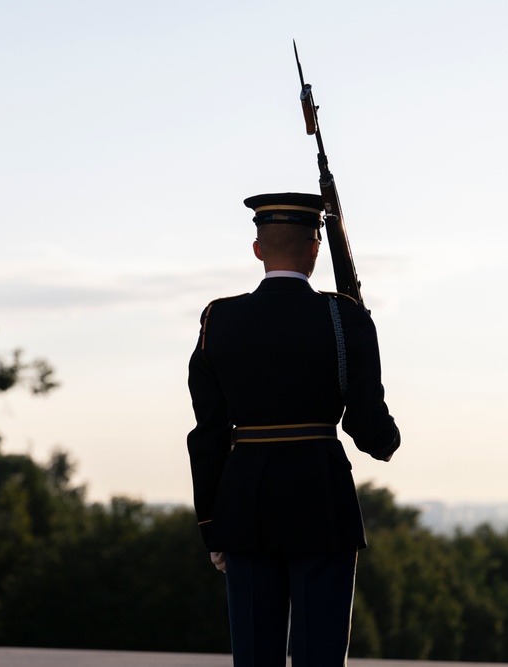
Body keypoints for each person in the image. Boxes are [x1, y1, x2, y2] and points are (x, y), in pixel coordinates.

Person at [186, 192, 400, 666]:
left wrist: (212, 524)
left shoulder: (219, 318)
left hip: (245, 505)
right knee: (319, 655)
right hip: (321, 498)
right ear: (315, 250)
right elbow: (367, 425)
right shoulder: (344, 317)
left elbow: (208, 432)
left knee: (255, 655)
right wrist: (388, 442)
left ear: (258, 249)